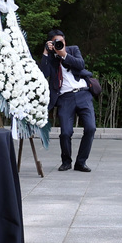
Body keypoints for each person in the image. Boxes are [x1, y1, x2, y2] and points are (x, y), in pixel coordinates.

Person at [38, 29, 96, 172]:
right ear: (50, 43)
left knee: (91, 128)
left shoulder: (73, 50)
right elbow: (43, 74)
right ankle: (66, 161)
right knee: (65, 132)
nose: (60, 44)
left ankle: (81, 162)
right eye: (56, 42)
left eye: (61, 42)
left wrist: (63, 54)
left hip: (83, 94)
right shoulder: (50, 57)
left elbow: (80, 64)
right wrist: (45, 52)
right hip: (64, 98)